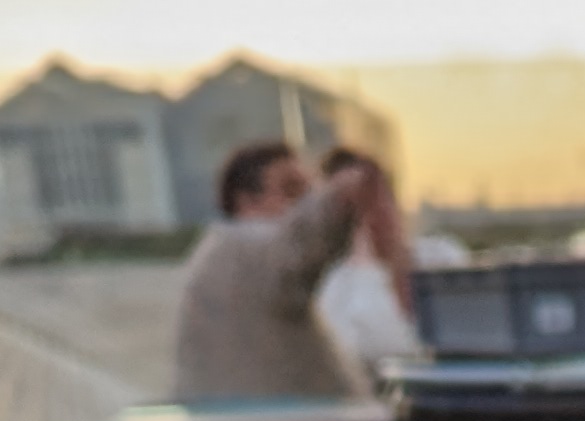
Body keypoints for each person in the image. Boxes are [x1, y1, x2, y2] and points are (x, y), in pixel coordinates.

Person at [171, 143, 371, 402]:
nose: (303, 205)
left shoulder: (226, 256)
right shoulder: (240, 248)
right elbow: (301, 240)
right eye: (291, 190)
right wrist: (341, 196)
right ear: (246, 201)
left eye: (310, 192)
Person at [312, 147, 424, 378]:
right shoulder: (332, 285)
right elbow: (372, 349)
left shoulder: (440, 254)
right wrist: (366, 262)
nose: (374, 212)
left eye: (378, 196)